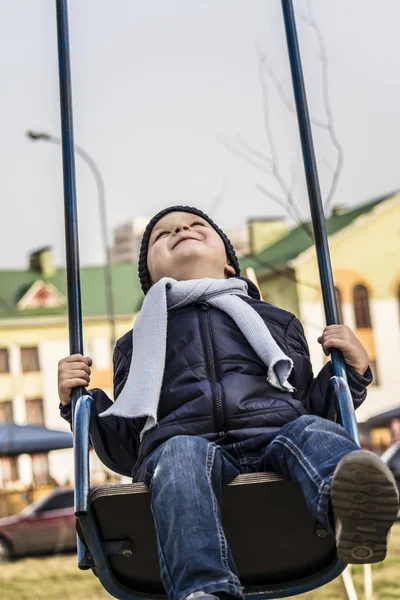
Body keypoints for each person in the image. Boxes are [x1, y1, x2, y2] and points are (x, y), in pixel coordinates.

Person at [58, 206, 399, 600]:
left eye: (196, 225)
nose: (182, 229)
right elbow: (126, 447)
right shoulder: (138, 342)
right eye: (162, 235)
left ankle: (350, 508)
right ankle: (205, 591)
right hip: (182, 452)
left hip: (277, 439)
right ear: (151, 276)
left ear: (230, 264)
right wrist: (80, 403)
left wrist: (352, 372)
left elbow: (312, 405)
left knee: (312, 430)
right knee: (179, 454)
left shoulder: (277, 321)